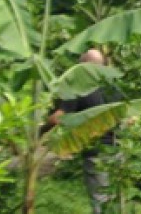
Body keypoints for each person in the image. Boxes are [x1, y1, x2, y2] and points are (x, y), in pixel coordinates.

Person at [46, 49, 115, 214]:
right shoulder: (111, 88)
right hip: (119, 149)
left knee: (100, 201)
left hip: (96, 153)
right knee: (113, 199)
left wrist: (41, 127)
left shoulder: (77, 89)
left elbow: (58, 118)